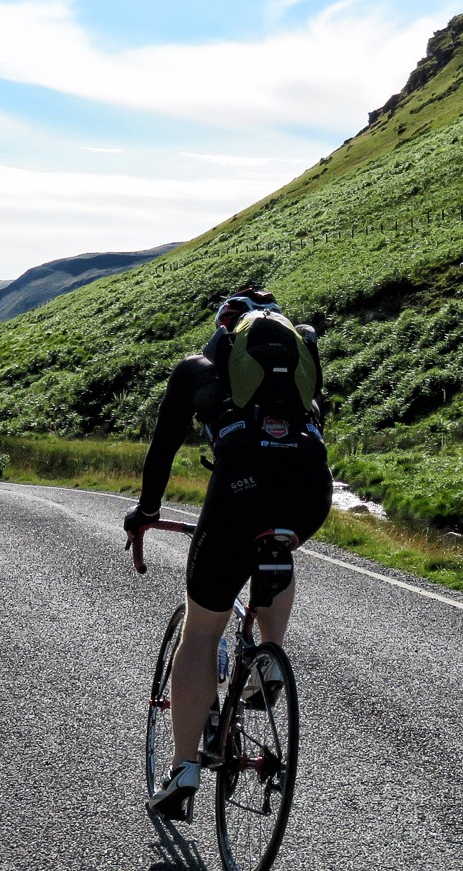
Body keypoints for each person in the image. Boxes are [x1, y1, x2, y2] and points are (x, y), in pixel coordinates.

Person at [124, 287, 332, 818]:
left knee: (200, 630)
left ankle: (184, 769)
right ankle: (271, 659)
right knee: (277, 540)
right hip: (311, 488)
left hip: (240, 483)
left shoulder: (197, 369)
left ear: (225, 333)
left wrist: (147, 512)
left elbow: (165, 445)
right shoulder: (303, 367)